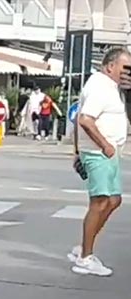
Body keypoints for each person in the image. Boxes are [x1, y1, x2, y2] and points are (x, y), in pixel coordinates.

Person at [69, 47, 131, 277]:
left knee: (113, 200)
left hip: (108, 153)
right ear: (110, 66)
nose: (128, 73)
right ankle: (85, 257)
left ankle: (84, 246)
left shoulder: (112, 87)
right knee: (100, 201)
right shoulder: (100, 87)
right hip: (99, 153)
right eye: (125, 68)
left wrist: (76, 150)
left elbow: (76, 117)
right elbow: (85, 119)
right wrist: (104, 145)